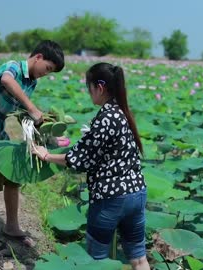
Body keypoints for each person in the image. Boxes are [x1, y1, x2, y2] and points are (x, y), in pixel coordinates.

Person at [32, 62, 150, 270]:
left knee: (96, 260)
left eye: (90, 88)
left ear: (100, 88)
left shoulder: (105, 118)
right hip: (137, 194)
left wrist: (47, 155)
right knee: (139, 258)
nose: (89, 93)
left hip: (111, 197)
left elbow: (79, 159)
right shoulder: (122, 113)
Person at [0, 40, 65, 252]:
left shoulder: (31, 83)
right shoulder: (13, 67)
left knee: (12, 178)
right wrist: (32, 107)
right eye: (48, 68)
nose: (47, 73)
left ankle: (11, 226)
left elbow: (21, 113)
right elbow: (7, 81)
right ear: (38, 57)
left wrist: (42, 130)